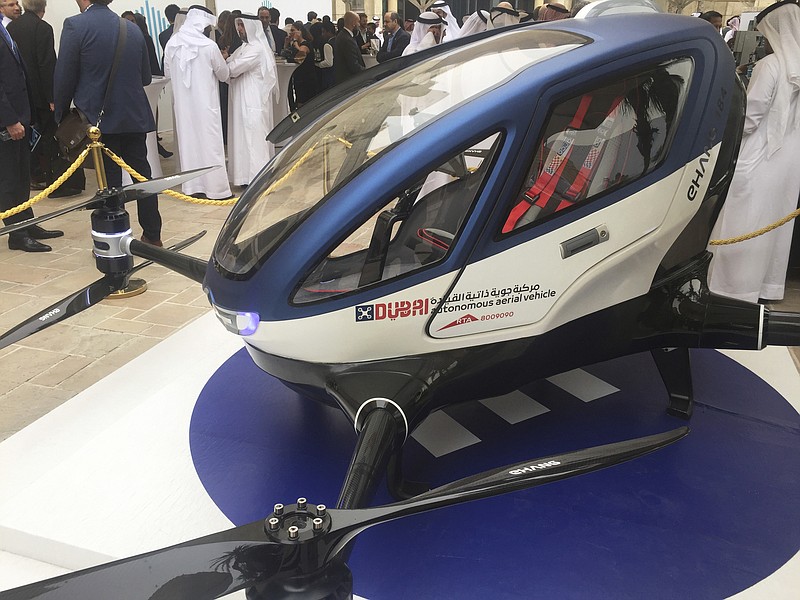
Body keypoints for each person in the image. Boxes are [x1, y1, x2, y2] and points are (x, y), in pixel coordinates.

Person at [708, 1, 800, 304]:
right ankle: (767, 287)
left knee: (744, 220)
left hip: (759, 157)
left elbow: (751, 118)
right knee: (775, 223)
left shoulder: (771, 65)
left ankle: (733, 288)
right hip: (789, 162)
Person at [54, 0, 163, 246]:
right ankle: (153, 236)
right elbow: (145, 76)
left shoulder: (75, 25)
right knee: (142, 177)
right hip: (134, 117)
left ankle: (115, 241)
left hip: (97, 122)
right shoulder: (132, 28)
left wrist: (60, 116)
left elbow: (64, 77)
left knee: (109, 184)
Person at [0, 16, 62, 251]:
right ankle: (16, 234)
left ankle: (27, 221)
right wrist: (9, 120)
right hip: (8, 120)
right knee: (8, 179)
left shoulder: (5, 28)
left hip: (20, 114)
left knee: (21, 174)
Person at [164, 5, 231, 201]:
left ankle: (193, 187)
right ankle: (216, 189)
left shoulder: (172, 43)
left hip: (183, 107)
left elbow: (168, 73)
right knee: (210, 144)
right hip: (206, 105)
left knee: (189, 143)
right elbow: (224, 74)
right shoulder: (209, 46)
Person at [226, 14, 276, 187]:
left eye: (242, 25)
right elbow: (230, 63)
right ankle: (244, 177)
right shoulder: (243, 48)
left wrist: (227, 64)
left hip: (253, 100)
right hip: (242, 100)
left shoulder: (257, 49)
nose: (239, 29)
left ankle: (257, 177)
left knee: (254, 138)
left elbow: (233, 68)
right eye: (238, 25)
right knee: (243, 137)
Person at [286, 21, 318, 109]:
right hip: (299, 78)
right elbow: (285, 54)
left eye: (293, 30)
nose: (291, 33)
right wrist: (287, 43)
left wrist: (295, 41)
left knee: (306, 104)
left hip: (307, 78)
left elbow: (301, 54)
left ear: (299, 31)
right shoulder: (296, 45)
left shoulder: (306, 44)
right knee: (300, 102)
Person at [334, 11, 365, 85]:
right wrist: (367, 72)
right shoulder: (347, 39)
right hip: (349, 79)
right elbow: (353, 64)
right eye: (358, 22)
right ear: (353, 23)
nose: (359, 24)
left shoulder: (342, 35)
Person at [311, 21, 335, 90]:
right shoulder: (337, 41)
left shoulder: (327, 44)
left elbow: (328, 62)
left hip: (328, 76)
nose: (323, 34)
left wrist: (317, 64)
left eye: (324, 32)